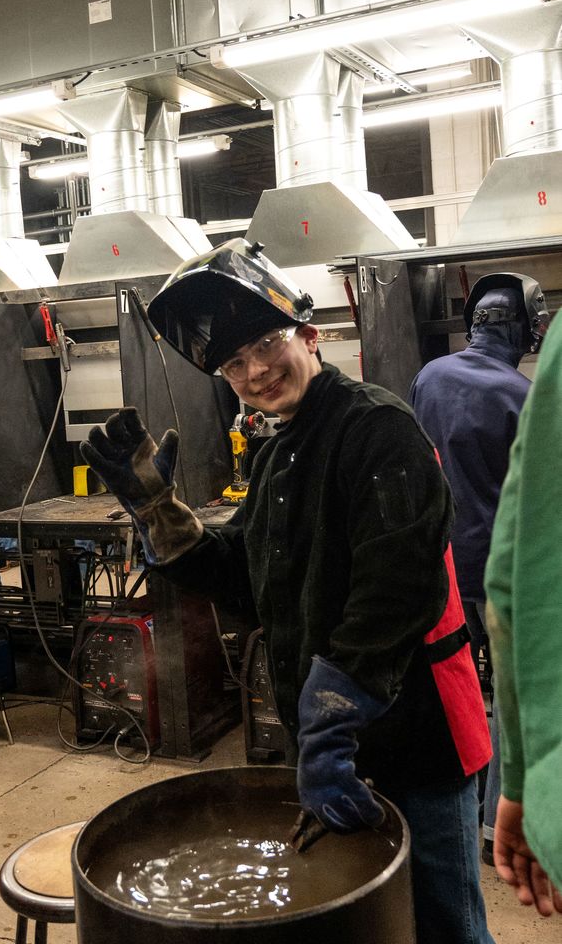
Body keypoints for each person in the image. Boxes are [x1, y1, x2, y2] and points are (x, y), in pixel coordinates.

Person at [81, 238, 494, 944]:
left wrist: (330, 726)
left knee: (441, 923)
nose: (255, 372)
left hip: (414, 731)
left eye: (266, 344)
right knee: (370, 923)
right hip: (330, 738)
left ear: (310, 333)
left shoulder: (378, 430)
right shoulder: (279, 449)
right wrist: (162, 518)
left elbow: (395, 596)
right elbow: (249, 577)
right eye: (233, 363)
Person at [408, 272, 549, 864]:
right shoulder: (524, 397)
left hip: (435, 572)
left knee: (451, 691)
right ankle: (498, 827)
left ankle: (451, 819)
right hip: (497, 577)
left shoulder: (427, 378)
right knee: (502, 697)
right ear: (526, 329)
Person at [484, 308, 562, 918]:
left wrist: (525, 782)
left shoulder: (427, 377)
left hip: (454, 577)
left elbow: (513, 585)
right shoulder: (518, 387)